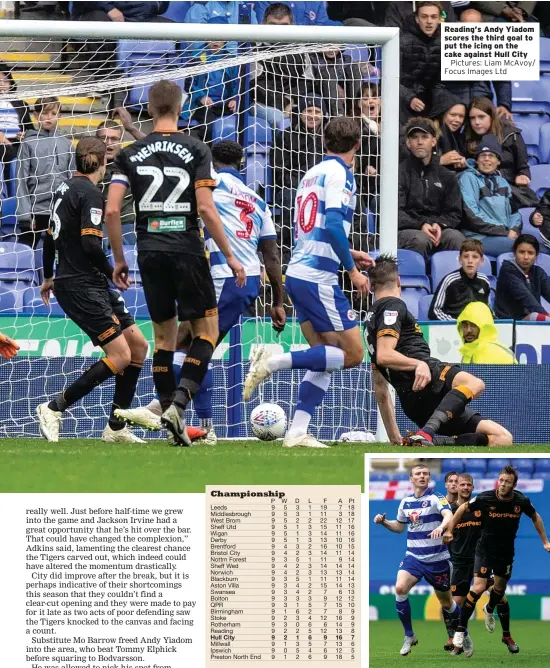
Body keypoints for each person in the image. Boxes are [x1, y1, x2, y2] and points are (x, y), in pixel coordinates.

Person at [115, 140, 286, 444]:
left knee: (196, 346)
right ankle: (173, 414)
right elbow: (271, 255)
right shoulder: (257, 201)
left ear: (210, 162)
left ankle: (186, 420)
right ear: (241, 164)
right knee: (187, 344)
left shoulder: (211, 185)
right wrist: (278, 302)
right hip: (243, 283)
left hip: (225, 276)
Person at [106, 80, 245, 446]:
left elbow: (112, 209)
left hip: (148, 251)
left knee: (164, 340)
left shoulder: (130, 153)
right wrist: (230, 255)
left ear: (149, 109)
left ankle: (170, 414)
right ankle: (179, 405)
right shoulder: (197, 149)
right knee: (206, 333)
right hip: (186, 248)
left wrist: (119, 259)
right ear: (180, 108)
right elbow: (205, 208)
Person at [243, 117, 373, 448]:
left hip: (298, 271)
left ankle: (297, 431)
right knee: (354, 354)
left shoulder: (311, 174)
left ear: (323, 142)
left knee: (324, 355)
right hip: (319, 276)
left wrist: (350, 250)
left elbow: (314, 226)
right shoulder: (340, 174)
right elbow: (330, 222)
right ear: (357, 145)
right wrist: (352, 270)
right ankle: (272, 361)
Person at [35, 137, 148, 444]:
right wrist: (113, 269)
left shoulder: (63, 189)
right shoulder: (91, 193)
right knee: (121, 355)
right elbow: (89, 243)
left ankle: (116, 427)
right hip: (81, 285)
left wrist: (48, 276)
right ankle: (54, 408)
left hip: (86, 281)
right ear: (103, 161)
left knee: (138, 346)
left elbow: (48, 238)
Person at [365, 254, 513, 446]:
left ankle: (432, 440)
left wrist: (395, 439)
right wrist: (420, 364)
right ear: (399, 281)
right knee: (475, 383)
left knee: (502, 439)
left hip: (419, 407)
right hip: (430, 382)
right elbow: (385, 355)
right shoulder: (393, 305)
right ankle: (427, 433)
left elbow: (381, 389)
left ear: (370, 286)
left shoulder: (370, 325)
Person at [446, 465, 550, 653]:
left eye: (507, 482)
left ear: (514, 484)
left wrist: (545, 541)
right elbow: (462, 508)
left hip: (506, 552)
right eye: (501, 480)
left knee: (500, 590)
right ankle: (460, 631)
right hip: (484, 550)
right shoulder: (486, 497)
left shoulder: (521, 500)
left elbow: (535, 516)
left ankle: (490, 610)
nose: (502, 484)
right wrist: (450, 530)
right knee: (477, 587)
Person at [373, 464, 466, 656]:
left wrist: (442, 527)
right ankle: (409, 635)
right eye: (418, 474)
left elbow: (449, 515)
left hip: (437, 560)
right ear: (411, 478)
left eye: (425, 474)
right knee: (400, 588)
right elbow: (399, 527)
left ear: (429, 478)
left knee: (447, 604)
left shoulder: (436, 498)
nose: (422, 476)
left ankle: (463, 632)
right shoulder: (405, 502)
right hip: (414, 557)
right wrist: (384, 523)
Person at [442, 472, 518, 655]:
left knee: (501, 597)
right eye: (462, 485)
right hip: (459, 562)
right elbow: (441, 535)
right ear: (456, 487)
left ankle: (507, 636)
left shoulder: (482, 507)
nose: (465, 488)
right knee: (453, 604)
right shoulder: (449, 512)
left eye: (469, 485)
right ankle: (456, 637)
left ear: (473, 488)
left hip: (483, 559)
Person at [399, 118, 464, 259]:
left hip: (438, 228)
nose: (420, 142)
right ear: (408, 143)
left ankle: (453, 280)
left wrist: (439, 224)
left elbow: (455, 213)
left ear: (433, 141)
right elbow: (395, 213)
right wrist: (420, 224)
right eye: (415, 138)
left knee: (456, 238)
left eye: (425, 137)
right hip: (408, 229)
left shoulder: (447, 176)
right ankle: (412, 280)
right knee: (420, 239)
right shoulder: (399, 173)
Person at [271, 96, 325, 263]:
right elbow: (279, 170)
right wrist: (303, 187)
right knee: (289, 198)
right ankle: (288, 252)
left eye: (317, 111)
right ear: (300, 113)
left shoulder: (329, 138)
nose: (312, 115)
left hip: (323, 187)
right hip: (293, 187)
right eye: (308, 111)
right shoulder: (285, 136)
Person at [16, 96, 74, 248]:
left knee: (59, 251)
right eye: (45, 113)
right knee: (27, 249)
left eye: (53, 113)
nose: (49, 118)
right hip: (36, 210)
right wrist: (24, 215)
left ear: (59, 115)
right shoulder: (28, 143)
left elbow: (72, 177)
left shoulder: (66, 143)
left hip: (60, 209)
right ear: (36, 115)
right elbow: (21, 180)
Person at [459, 134, 522, 257]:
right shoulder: (468, 178)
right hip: (478, 238)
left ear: (498, 161)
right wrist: (504, 232)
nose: (486, 159)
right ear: (477, 160)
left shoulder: (502, 182)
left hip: (504, 235)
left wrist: (514, 229)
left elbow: (514, 213)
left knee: (533, 246)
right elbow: (471, 215)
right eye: (482, 155)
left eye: (491, 155)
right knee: (523, 250)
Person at [465, 97, 535, 207]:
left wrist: (523, 175)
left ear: (492, 117)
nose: (476, 122)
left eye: (481, 117)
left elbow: (523, 166)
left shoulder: (512, 135)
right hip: (480, 190)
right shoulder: (467, 138)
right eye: (472, 118)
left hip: (508, 187)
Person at [253, 3, 310, 128]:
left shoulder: (300, 49)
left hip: (293, 102)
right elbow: (256, 86)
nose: (278, 30)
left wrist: (292, 100)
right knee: (280, 119)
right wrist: (285, 103)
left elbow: (307, 82)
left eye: (284, 26)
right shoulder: (253, 47)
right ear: (263, 24)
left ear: (292, 26)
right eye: (272, 25)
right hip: (260, 103)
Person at [186, 29, 239, 143]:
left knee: (235, 127)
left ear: (225, 40)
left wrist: (235, 98)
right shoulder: (197, 58)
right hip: (203, 106)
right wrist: (201, 97)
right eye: (212, 36)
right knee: (210, 129)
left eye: (220, 37)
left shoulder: (232, 60)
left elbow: (238, 83)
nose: (216, 41)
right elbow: (190, 84)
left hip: (226, 106)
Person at [96, 116, 142, 245]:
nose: (109, 143)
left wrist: (131, 128)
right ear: (96, 140)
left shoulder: (131, 160)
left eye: (114, 139)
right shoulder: (87, 163)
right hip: (96, 224)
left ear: (121, 142)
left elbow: (155, 147)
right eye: (103, 138)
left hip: (125, 224)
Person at [398, 1, 444, 123]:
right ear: (417, 19)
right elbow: (389, 79)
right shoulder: (401, 42)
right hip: (402, 101)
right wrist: (409, 98)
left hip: (432, 101)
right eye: (424, 17)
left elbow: (440, 82)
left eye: (433, 17)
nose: (429, 21)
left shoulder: (444, 42)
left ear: (439, 19)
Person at [429, 239, 491, 321]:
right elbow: (434, 311)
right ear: (460, 260)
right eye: (465, 256)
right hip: (452, 328)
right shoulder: (449, 280)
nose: (470, 261)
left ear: (481, 261)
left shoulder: (484, 281)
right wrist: (456, 324)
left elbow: (486, 309)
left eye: (475, 257)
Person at [495, 234, 550, 321]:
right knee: (539, 317)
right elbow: (525, 297)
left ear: (536, 255)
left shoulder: (538, 272)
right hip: (508, 322)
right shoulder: (507, 269)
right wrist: (546, 315)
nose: (526, 257)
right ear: (514, 252)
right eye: (521, 252)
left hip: (530, 320)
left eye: (530, 253)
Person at [429, 91, 467, 171]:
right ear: (442, 114)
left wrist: (463, 163)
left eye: (461, 116)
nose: (457, 120)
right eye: (453, 115)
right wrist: (440, 160)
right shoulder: (427, 132)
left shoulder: (460, 138)